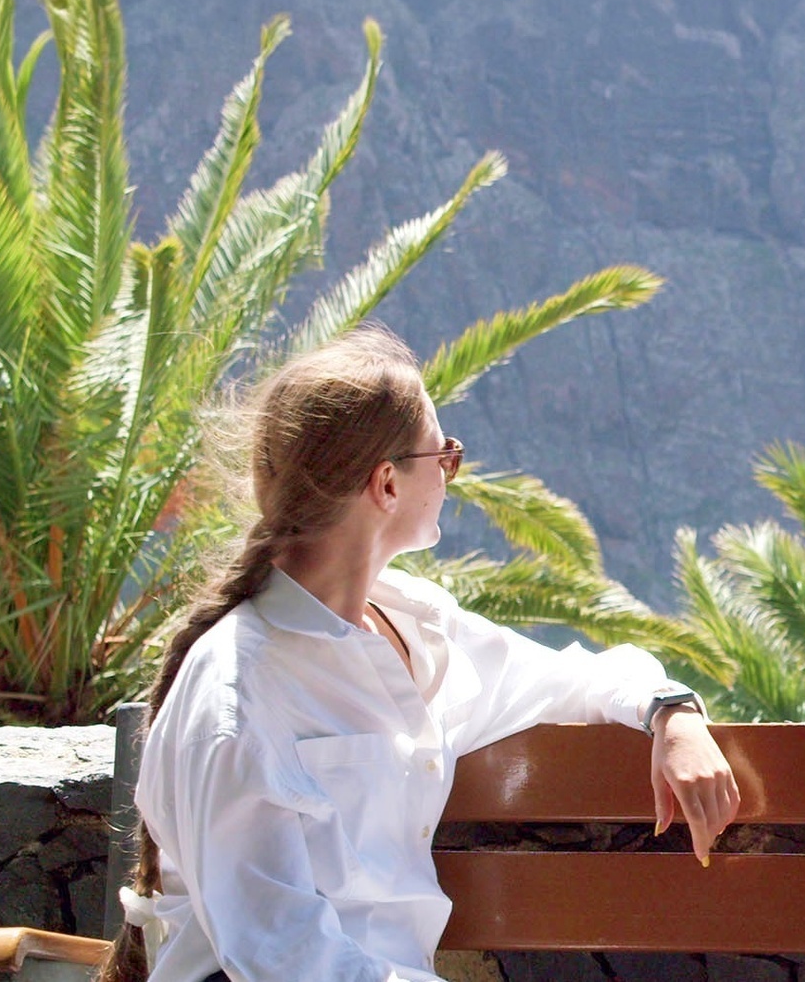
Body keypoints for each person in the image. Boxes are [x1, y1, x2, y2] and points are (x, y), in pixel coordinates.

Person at [107, 328, 739, 982]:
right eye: (446, 454)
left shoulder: (414, 627)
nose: (450, 470)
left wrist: (671, 712)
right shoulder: (236, 695)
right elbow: (277, 956)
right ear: (386, 484)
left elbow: (570, 677)